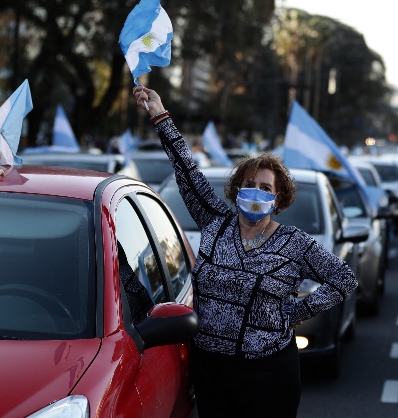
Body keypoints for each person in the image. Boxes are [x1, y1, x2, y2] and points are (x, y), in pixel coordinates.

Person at [133, 85, 357, 418]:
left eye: (265, 187)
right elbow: (187, 170)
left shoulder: (294, 243)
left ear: (277, 199)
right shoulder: (214, 222)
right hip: (211, 373)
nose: (256, 192)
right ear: (237, 189)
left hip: (268, 377)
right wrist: (159, 114)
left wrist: (293, 313)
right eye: (249, 184)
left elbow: (344, 278)